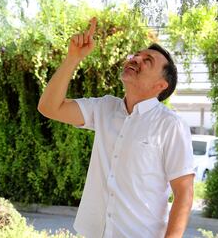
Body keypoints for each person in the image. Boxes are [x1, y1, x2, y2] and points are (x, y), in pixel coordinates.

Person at [38, 17, 194, 238]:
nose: (136, 58)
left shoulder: (170, 125)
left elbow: (184, 192)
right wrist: (73, 58)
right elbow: (49, 107)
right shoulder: (104, 108)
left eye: (147, 60)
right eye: (136, 55)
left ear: (160, 86)